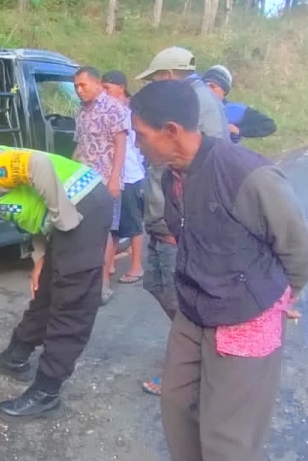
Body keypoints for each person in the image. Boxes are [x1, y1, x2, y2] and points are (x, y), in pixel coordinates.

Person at [129, 80, 308, 461]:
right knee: (178, 410)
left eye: (141, 134)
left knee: (228, 442)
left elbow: (300, 251)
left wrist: (284, 298)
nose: (136, 144)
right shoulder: (172, 174)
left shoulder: (247, 175)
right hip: (194, 311)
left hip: (244, 319)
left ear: (172, 130)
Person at [0, 146, 113, 422]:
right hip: (71, 215)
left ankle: (46, 393)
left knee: (71, 303)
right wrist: (40, 258)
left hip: (82, 207)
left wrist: (63, 217)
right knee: (45, 293)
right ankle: (16, 355)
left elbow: (36, 164)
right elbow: (31, 211)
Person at [135, 46, 232, 396]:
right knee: (159, 288)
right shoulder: (196, 98)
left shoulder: (195, 103)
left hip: (180, 224)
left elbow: (201, 166)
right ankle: (196, 358)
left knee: (185, 299)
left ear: (171, 74)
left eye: (157, 77)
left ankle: (193, 368)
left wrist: (185, 223)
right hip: (163, 220)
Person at [71, 66, 127, 304]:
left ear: (96, 83)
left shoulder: (113, 107)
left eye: (82, 85)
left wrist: (115, 178)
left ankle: (103, 286)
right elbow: (80, 147)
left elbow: (121, 144)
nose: (78, 90)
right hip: (83, 181)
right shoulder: (81, 112)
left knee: (103, 233)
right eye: (75, 86)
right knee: (84, 232)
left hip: (105, 181)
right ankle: (86, 284)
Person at [102, 70, 147, 284]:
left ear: (121, 87)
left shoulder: (129, 111)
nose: (105, 92)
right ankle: (109, 263)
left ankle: (137, 266)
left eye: (107, 88)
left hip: (130, 174)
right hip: (114, 175)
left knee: (132, 223)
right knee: (114, 223)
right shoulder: (112, 110)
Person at [202, 65, 277, 145]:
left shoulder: (235, 111)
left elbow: (269, 125)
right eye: (204, 86)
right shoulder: (193, 107)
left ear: (224, 90)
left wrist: (240, 131)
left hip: (227, 155)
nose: (207, 89)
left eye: (213, 86)